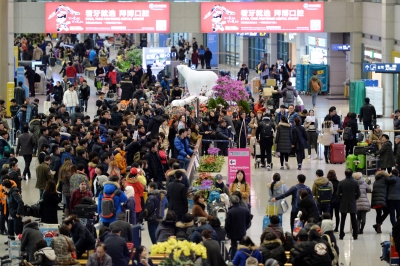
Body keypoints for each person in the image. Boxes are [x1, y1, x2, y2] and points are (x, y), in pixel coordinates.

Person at [337, 168, 361, 240]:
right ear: (352, 174)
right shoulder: (355, 182)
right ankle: (355, 235)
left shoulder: (341, 182)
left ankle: (341, 235)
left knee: (343, 219)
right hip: (352, 202)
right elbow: (358, 194)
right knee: (354, 219)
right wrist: (354, 198)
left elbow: (338, 194)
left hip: (343, 202)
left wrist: (341, 199)